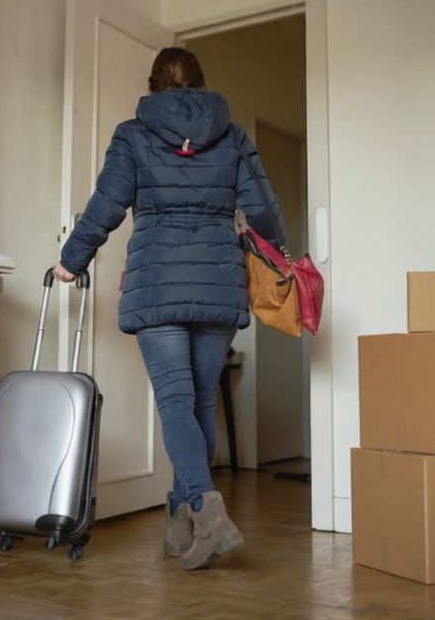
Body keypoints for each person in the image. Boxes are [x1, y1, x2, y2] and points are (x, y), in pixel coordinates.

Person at [54, 47, 287, 570]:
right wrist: (284, 259)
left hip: (157, 281)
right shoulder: (232, 135)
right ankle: (180, 519)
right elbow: (262, 211)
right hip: (218, 283)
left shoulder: (132, 133)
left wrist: (71, 259)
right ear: (201, 85)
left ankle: (207, 510)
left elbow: (107, 205)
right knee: (202, 401)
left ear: (154, 86)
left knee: (176, 402)